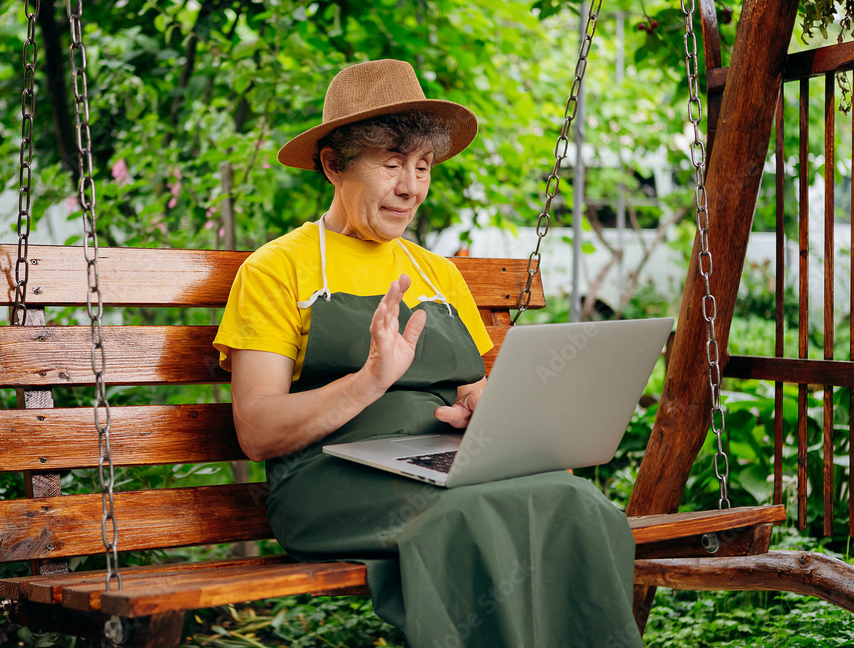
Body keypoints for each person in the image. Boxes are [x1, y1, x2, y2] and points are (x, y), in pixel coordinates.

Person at [213, 59, 644, 648]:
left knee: (574, 498)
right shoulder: (276, 269)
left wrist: (485, 411)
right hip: (329, 480)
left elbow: (475, 386)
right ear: (333, 164)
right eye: (391, 165)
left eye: (422, 167)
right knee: (473, 519)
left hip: (446, 466)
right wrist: (369, 380)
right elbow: (257, 431)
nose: (410, 187)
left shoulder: (436, 274)